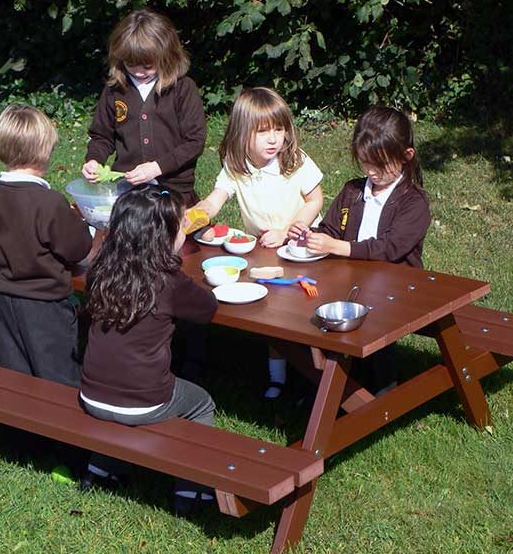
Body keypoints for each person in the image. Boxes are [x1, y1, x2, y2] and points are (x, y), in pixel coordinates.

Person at [79, 185, 219, 515]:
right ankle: (191, 489)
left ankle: (100, 470)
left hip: (90, 393)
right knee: (202, 403)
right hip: (145, 399)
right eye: (180, 226)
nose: (184, 231)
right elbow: (207, 309)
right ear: (163, 237)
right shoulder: (168, 279)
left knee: (123, 390)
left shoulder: (101, 268)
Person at [192, 87, 324, 399]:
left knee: (303, 312)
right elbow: (215, 200)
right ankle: (277, 379)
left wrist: (292, 228)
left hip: (303, 250)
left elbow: (315, 198)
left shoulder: (295, 161)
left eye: (279, 129)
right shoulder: (237, 165)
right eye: (263, 132)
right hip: (265, 251)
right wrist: (193, 217)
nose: (273, 139)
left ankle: (317, 376)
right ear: (242, 133)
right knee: (271, 314)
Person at [290, 105, 432, 394]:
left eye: (380, 165)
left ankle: (381, 391)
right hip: (347, 281)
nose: (371, 172)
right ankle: (321, 385)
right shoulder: (353, 191)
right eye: (366, 163)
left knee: (376, 331)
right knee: (310, 314)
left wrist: (337, 246)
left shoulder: (413, 202)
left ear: (406, 157)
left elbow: (390, 249)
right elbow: (330, 228)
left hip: (396, 287)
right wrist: (310, 236)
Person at [0, 104, 93, 387]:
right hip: (46, 304)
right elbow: (77, 249)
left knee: (16, 375)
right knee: (59, 377)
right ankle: (61, 429)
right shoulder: (48, 202)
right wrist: (83, 224)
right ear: (45, 151)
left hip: (4, 300)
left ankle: (20, 430)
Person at [81, 8, 206, 206]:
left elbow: (195, 141)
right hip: (129, 187)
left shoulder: (182, 88)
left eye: (147, 66)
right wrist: (93, 160)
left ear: (167, 57)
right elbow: (102, 136)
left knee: (178, 233)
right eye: (131, 65)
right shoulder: (115, 90)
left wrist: (158, 167)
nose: (139, 72)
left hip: (173, 187)